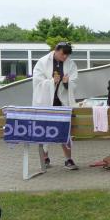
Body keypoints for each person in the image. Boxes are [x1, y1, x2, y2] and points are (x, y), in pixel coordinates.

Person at [31, 41, 79, 170]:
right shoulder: (42, 62)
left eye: (67, 55)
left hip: (62, 103)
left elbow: (75, 82)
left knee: (65, 130)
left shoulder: (70, 63)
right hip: (45, 102)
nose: (65, 57)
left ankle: (68, 159)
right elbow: (37, 82)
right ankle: (45, 158)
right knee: (43, 130)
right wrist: (52, 82)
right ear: (56, 50)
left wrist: (67, 83)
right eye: (63, 54)